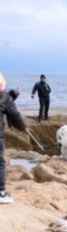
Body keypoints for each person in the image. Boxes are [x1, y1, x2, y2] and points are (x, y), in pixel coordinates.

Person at [0, 73, 27, 204]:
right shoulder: (4, 97)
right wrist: (23, 128)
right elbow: (15, 116)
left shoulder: (6, 97)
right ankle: (1, 194)